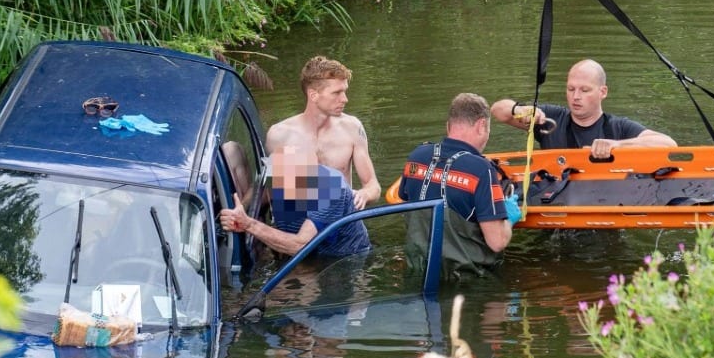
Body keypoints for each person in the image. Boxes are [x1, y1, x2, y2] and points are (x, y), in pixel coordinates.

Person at [395, 92, 518, 270]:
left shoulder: (417, 156)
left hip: (418, 270)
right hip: (467, 280)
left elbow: (405, 199)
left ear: (448, 125)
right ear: (482, 125)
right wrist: (508, 220)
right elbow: (497, 242)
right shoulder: (482, 170)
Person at [490, 59, 675, 158]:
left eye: (584, 90)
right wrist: (520, 111)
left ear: (603, 92)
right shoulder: (550, 120)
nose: (575, 96)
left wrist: (618, 145)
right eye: (571, 89)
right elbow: (498, 110)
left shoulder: (618, 128)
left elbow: (668, 145)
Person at [219, 143, 372, 258]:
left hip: (339, 259)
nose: (275, 185)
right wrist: (238, 210)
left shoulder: (330, 191)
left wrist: (248, 224)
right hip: (303, 252)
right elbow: (263, 191)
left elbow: (300, 246)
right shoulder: (282, 179)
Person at [267, 56, 381, 209]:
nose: (345, 99)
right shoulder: (280, 135)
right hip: (300, 222)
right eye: (337, 93)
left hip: (342, 221)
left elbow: (372, 185)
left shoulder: (352, 128)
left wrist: (364, 194)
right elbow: (271, 195)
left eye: (345, 91)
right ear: (313, 95)